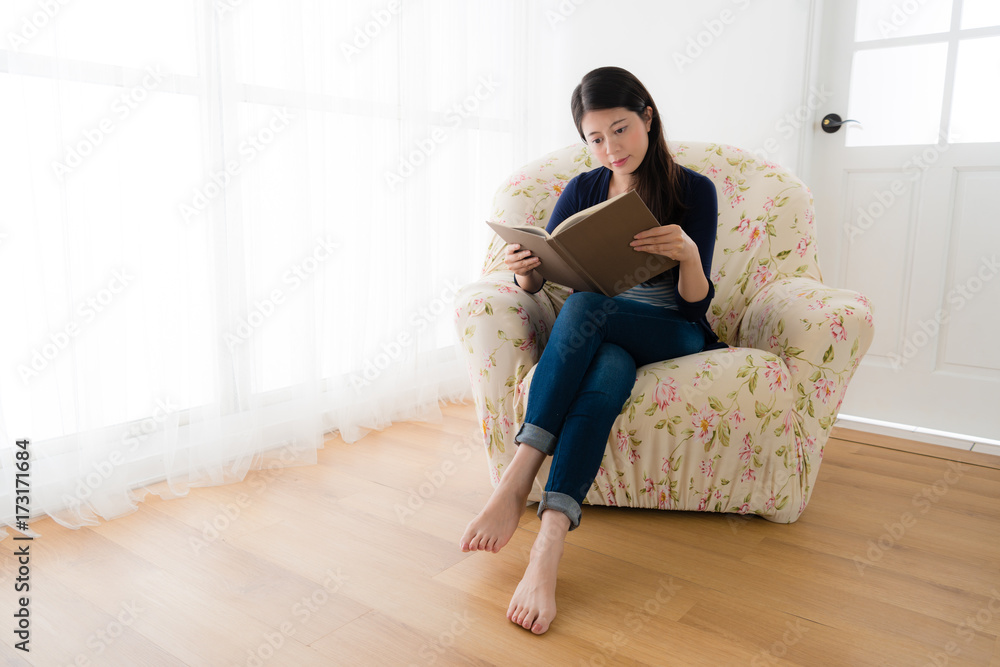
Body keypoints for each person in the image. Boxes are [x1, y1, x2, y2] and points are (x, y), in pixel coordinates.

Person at [458, 66, 729, 635]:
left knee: (585, 310)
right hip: (600, 335)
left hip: (670, 328)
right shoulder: (583, 188)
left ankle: (518, 477)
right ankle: (548, 544)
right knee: (605, 367)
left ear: (648, 119)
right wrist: (527, 274)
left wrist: (687, 256)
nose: (611, 148)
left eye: (621, 130)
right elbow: (557, 270)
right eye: (596, 138)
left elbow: (695, 306)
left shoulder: (692, 189)